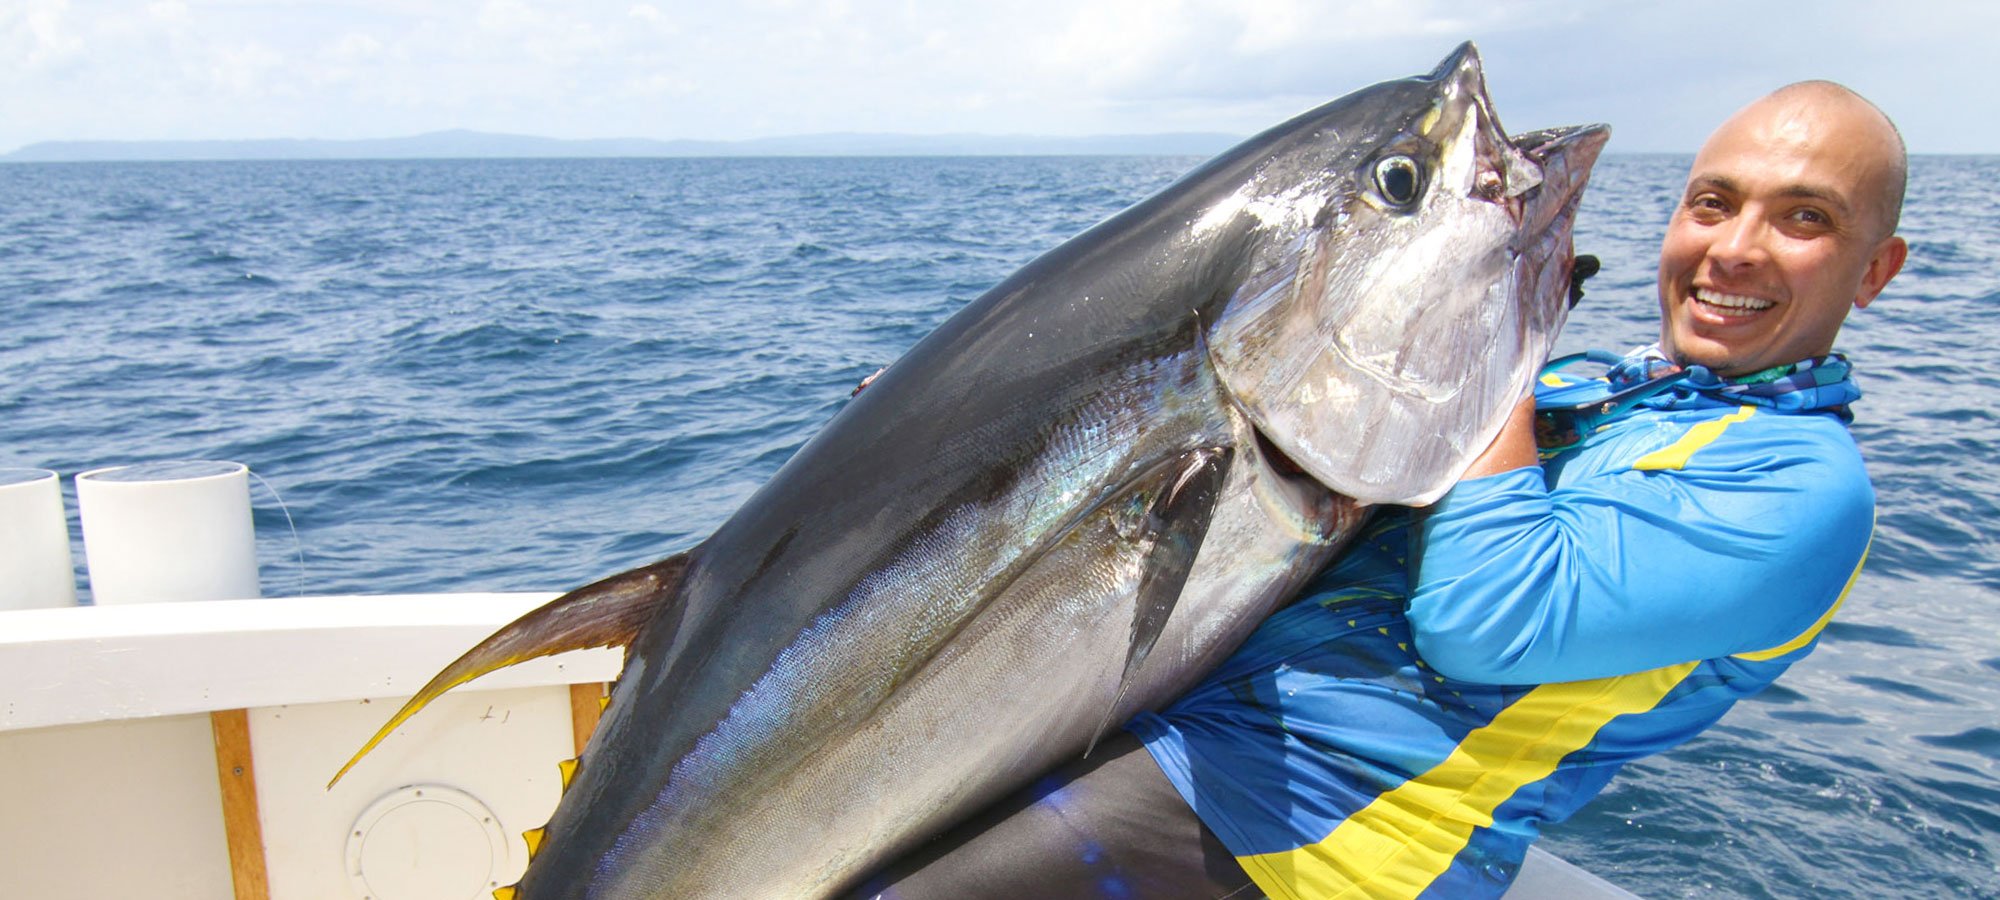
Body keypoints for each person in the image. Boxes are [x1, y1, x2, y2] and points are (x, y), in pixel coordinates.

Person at [849, 79, 1909, 900]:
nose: (1734, 249)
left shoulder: (1805, 490)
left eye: (1802, 219)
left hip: (1317, 840)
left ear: (1875, 270)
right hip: (1195, 734)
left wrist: (1486, 339)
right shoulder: (1598, 388)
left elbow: (1483, 619)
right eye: (1712, 204)